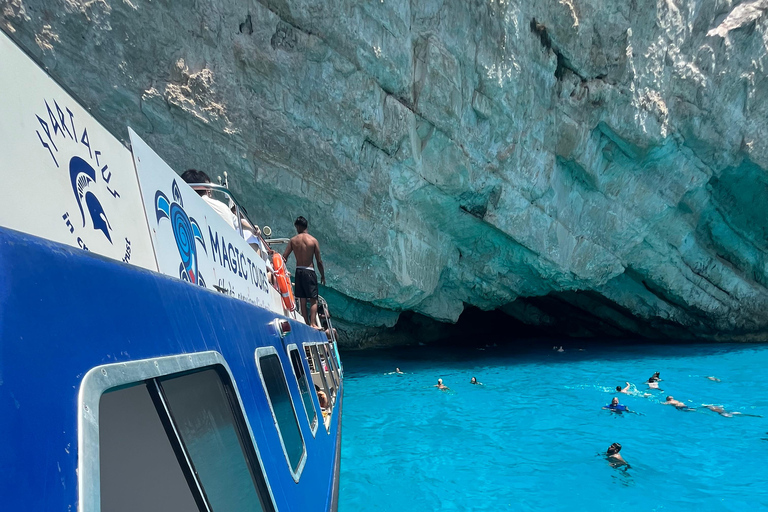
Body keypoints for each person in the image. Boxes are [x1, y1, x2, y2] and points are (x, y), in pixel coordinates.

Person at [283, 216, 325, 328]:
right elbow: (319, 261)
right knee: (313, 299)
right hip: (309, 271)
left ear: (298, 226)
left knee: (302, 298)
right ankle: (313, 323)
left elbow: (284, 257)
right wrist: (322, 275)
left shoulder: (293, 240)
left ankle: (305, 323)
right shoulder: (313, 240)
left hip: (299, 271)